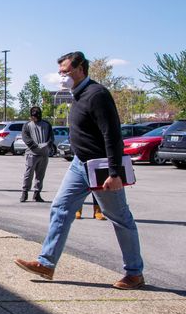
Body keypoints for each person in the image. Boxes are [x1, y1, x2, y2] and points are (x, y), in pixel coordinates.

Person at [15, 51, 145, 290]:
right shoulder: (76, 95)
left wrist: (115, 173)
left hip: (102, 166)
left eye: (65, 71)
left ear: (81, 69)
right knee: (61, 208)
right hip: (79, 165)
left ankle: (134, 273)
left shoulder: (97, 94)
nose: (61, 76)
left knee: (120, 218)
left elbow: (112, 135)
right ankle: (46, 263)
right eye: (60, 72)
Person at [20, 106, 55, 202]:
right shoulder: (27, 125)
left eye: (35, 116)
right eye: (32, 116)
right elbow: (25, 137)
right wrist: (35, 146)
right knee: (28, 174)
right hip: (31, 154)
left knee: (40, 175)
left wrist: (48, 145)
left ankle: (37, 194)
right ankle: (25, 192)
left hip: (44, 154)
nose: (33, 118)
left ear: (39, 115)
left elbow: (51, 137)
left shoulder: (47, 124)